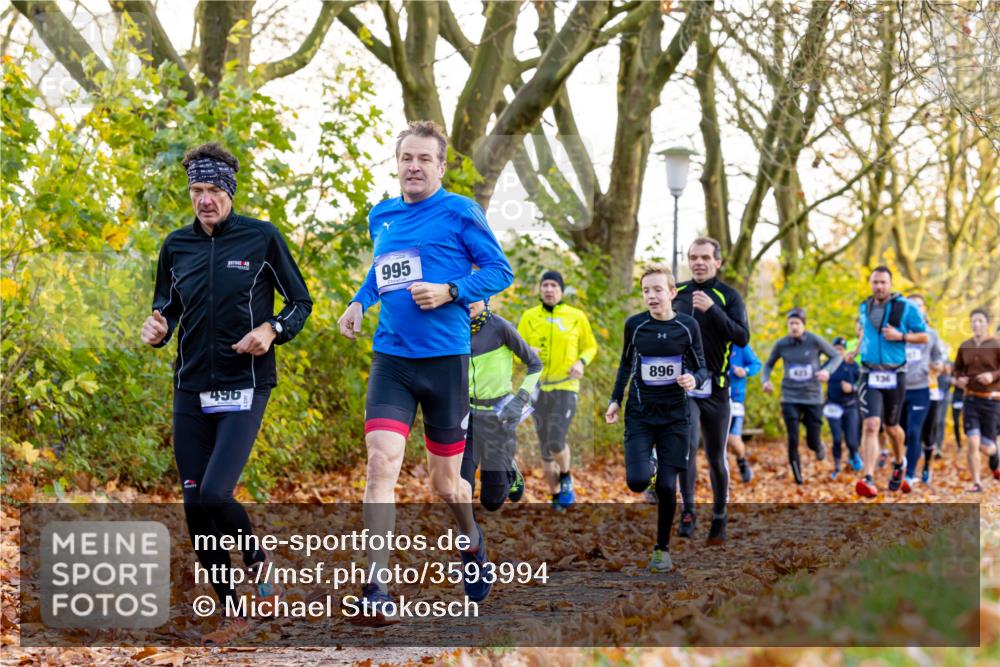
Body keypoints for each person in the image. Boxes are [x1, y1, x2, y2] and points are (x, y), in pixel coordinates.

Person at [337, 121, 513, 622]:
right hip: (391, 358)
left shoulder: (460, 212)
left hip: (444, 363)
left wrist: (451, 291)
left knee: (448, 486)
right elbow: (381, 269)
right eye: (406, 158)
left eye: (423, 160)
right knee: (380, 464)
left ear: (439, 167)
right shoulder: (383, 215)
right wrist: (358, 301)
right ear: (397, 164)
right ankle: (376, 586)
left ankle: (472, 542)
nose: (413, 167)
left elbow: (500, 270)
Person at [141, 142, 313, 645]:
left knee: (217, 493)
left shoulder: (262, 238)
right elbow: (166, 309)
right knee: (195, 505)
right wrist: (157, 328)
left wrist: (272, 329)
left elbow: (300, 301)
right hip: (190, 387)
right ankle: (232, 610)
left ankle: (258, 559)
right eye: (197, 190)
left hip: (246, 383)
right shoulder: (176, 245)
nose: (205, 199)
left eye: (214, 189)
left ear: (230, 191)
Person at [606, 266, 707, 572]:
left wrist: (693, 378)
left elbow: (703, 368)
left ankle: (661, 548)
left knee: (666, 486)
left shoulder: (688, 327)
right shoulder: (635, 325)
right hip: (640, 414)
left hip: (675, 417)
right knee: (637, 483)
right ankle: (646, 462)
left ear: (672, 293)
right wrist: (615, 399)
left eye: (657, 289)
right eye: (646, 290)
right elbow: (625, 366)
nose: (651, 296)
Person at [672, 237, 750, 543]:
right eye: (693, 257)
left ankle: (719, 517)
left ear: (717, 262)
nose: (699, 262)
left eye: (705, 257)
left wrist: (714, 310)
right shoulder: (678, 293)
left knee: (716, 456)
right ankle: (688, 510)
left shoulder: (728, 295)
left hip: (717, 389)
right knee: (687, 447)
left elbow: (743, 337)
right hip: (685, 386)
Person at [517, 271, 598, 510]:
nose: (549, 289)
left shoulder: (576, 316)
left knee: (555, 438)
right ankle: (555, 499)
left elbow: (591, 346)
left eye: (554, 285)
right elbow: (514, 349)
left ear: (562, 290)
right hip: (538, 387)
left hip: (566, 385)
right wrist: (525, 350)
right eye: (545, 285)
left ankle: (565, 476)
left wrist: (581, 362)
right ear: (540, 290)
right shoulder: (529, 316)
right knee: (545, 446)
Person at [848, 267, 928, 498]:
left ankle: (900, 461)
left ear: (890, 283)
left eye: (883, 282)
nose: (879, 286)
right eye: (875, 282)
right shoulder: (865, 306)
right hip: (869, 372)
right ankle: (868, 477)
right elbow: (866, 332)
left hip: (895, 374)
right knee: (872, 424)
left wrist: (901, 336)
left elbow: (924, 336)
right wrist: (855, 350)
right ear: (870, 283)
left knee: (892, 427)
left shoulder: (906, 307)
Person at [461, 298, 542, 510]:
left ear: (486, 299)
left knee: (492, 501)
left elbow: (535, 364)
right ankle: (467, 534)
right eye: (464, 296)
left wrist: (521, 399)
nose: (468, 302)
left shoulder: (501, 327)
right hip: (465, 417)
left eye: (474, 296)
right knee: (461, 488)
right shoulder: (453, 327)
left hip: (498, 419)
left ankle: (509, 470)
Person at [761, 308, 842, 484]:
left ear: (804, 325)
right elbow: (768, 365)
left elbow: (836, 357)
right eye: (791, 323)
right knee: (793, 438)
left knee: (812, 440)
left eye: (797, 323)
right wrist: (765, 380)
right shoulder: (781, 344)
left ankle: (818, 446)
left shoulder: (814, 341)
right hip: (789, 396)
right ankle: (798, 477)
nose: (794, 327)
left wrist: (827, 371)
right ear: (787, 325)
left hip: (812, 396)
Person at [900, 294, 945, 489]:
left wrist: (937, 366)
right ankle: (906, 467)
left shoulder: (932, 334)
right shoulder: (899, 333)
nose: (916, 310)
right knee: (903, 432)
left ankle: (919, 469)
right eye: (912, 306)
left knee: (922, 433)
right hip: (900, 390)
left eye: (919, 306)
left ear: (925, 309)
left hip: (926, 389)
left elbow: (939, 360)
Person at [953, 308, 1000, 492]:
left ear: (987, 323)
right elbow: (957, 369)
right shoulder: (965, 346)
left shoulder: (996, 344)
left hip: (992, 401)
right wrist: (959, 379)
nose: (977, 324)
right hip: (970, 399)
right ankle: (977, 482)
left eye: (980, 320)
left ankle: (995, 453)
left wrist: (992, 376)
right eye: (974, 321)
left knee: (987, 446)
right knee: (972, 441)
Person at [825, 336, 862, 479]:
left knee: (852, 440)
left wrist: (852, 388)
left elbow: (863, 384)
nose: (838, 352)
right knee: (836, 439)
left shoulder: (852, 365)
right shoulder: (828, 365)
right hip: (833, 406)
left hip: (850, 406)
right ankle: (837, 466)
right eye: (835, 349)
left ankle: (854, 455)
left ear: (845, 350)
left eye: (841, 349)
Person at [727, 343, 762, 482]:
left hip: (735, 399)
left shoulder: (740, 345)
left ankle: (742, 462)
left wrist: (745, 370)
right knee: (718, 443)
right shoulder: (712, 341)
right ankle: (722, 479)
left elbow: (756, 364)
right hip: (716, 399)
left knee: (733, 441)